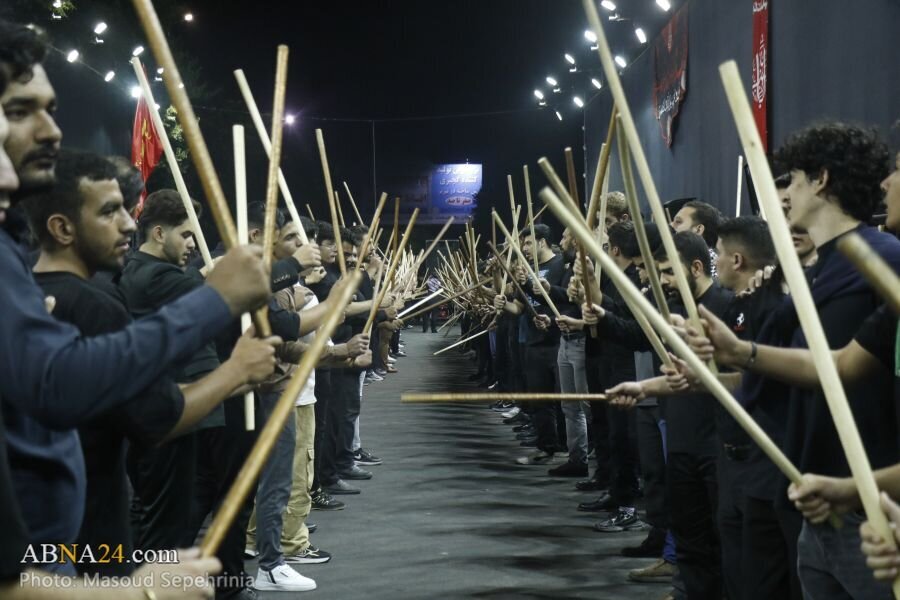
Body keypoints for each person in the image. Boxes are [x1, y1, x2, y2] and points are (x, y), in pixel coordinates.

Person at [0, 20, 270, 580]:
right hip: (66, 558)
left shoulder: (24, 268)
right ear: (62, 227)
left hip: (60, 559)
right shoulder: (91, 298)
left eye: (48, 109)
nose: (51, 130)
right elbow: (72, 387)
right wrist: (133, 591)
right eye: (18, 111)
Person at [20, 149, 280, 578]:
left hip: (53, 534)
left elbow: (123, 398)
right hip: (91, 540)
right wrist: (236, 370)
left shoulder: (30, 296)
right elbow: (157, 415)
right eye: (109, 212)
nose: (127, 223)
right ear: (62, 227)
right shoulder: (94, 304)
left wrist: (235, 376)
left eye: (125, 208)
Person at [589, 232, 732, 599]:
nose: (661, 280)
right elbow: (644, 339)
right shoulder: (672, 307)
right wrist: (603, 314)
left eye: (667, 272)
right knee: (689, 529)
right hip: (680, 429)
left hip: (716, 438)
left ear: (696, 268)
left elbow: (722, 379)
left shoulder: (725, 308)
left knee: (720, 535)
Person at [670, 200, 722, 278]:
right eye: (672, 221)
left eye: (678, 222)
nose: (671, 225)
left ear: (698, 230)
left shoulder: (713, 269)